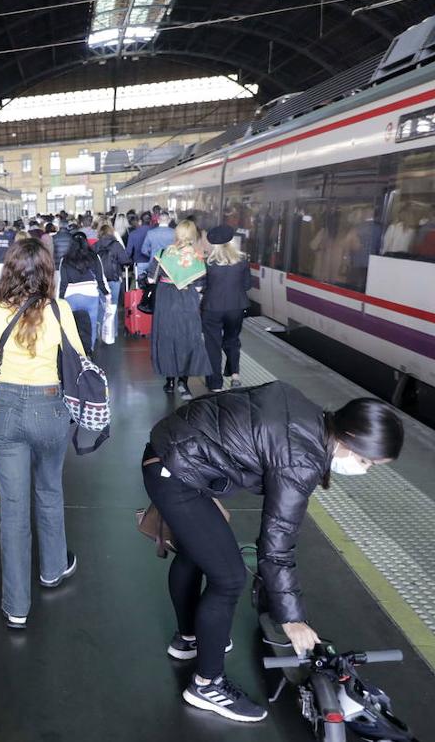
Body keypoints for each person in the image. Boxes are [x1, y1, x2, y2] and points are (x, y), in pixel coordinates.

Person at [145, 386, 403, 723]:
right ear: (348, 437)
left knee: (198, 552)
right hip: (176, 469)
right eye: (365, 461)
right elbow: (277, 545)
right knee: (229, 577)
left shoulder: (306, 410)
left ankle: (189, 638)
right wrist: (292, 620)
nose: (365, 470)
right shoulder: (302, 458)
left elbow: (217, 405)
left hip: (176, 452)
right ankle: (207, 685)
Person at [0, 239, 84, 630]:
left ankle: (16, 607)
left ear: (8, 270)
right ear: (47, 271)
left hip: (7, 413)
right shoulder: (60, 310)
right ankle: (52, 570)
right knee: (49, 491)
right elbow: (81, 365)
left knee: (13, 510)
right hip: (50, 410)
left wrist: (3, 392)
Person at [150, 220, 212, 400]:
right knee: (188, 339)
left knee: (168, 339)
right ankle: (183, 383)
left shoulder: (163, 254)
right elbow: (200, 288)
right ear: (193, 236)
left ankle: (169, 381)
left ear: (176, 234)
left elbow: (151, 280)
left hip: (166, 302)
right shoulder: (198, 259)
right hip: (187, 303)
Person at [201, 226, 251, 392]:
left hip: (212, 308)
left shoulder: (208, 262)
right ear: (231, 242)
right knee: (232, 340)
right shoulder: (242, 260)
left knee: (212, 345)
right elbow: (247, 285)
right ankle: (235, 375)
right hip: (236, 307)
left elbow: (203, 287)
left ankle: (215, 384)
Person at [58, 232, 108, 351]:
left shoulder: (65, 259)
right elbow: (100, 278)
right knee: (91, 324)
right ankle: (89, 351)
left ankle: (76, 351)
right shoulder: (94, 257)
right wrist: (106, 293)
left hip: (71, 296)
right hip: (90, 295)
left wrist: (60, 298)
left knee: (72, 325)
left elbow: (63, 282)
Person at [95, 220, 129, 330]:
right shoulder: (116, 245)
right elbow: (125, 260)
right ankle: (112, 332)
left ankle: (100, 330)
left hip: (99, 280)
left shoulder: (95, 245)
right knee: (113, 305)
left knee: (101, 305)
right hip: (114, 279)